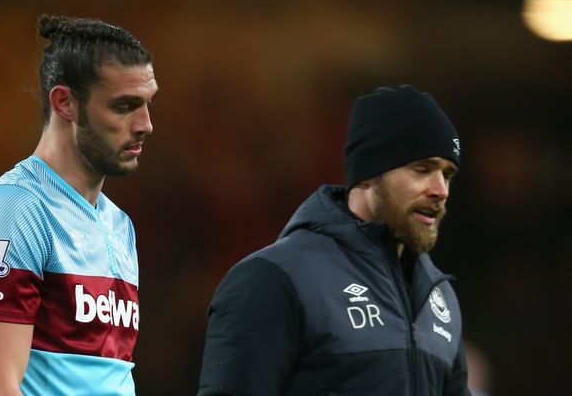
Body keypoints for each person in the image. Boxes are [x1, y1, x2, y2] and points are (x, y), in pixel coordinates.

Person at [198, 85, 470, 395]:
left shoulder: (439, 297)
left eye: (448, 174)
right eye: (423, 169)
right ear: (369, 173)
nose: (441, 189)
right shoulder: (277, 277)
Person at [0, 14, 157, 396]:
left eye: (147, 104)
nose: (145, 124)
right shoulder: (11, 214)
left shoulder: (118, 224)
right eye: (124, 107)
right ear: (65, 103)